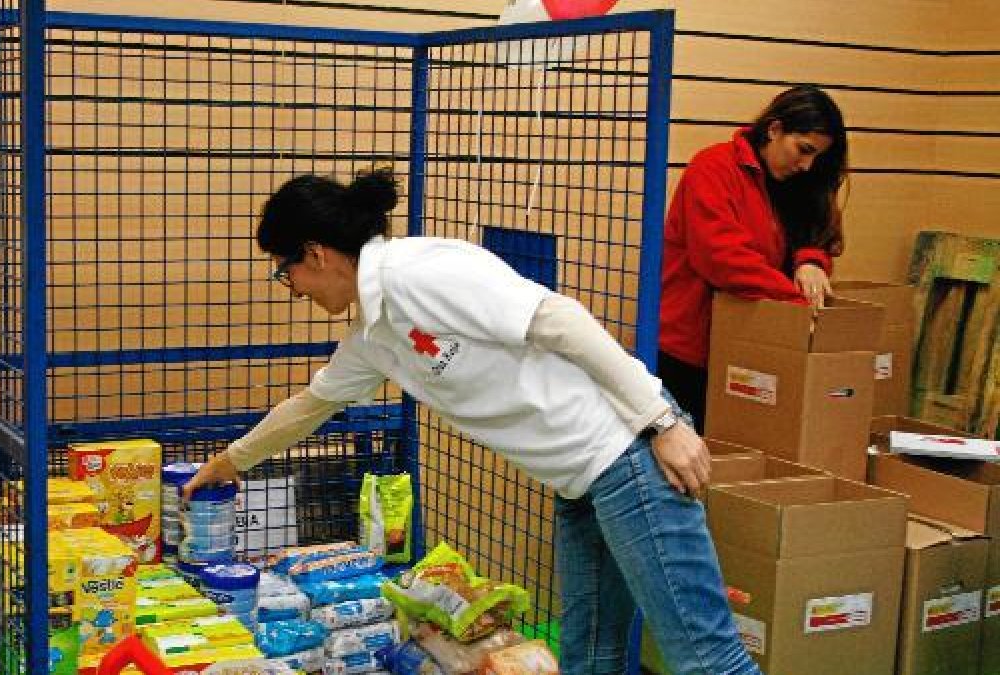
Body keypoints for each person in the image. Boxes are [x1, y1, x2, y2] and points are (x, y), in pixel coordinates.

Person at [182, 167, 761, 674]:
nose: (294, 290)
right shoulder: (375, 334)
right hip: (580, 486)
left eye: (286, 275)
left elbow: (561, 321)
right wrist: (230, 463)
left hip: (626, 453)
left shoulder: (420, 271)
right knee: (590, 658)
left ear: (315, 254)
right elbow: (309, 407)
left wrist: (662, 421)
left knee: (705, 659)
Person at [658, 85, 849, 431]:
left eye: (816, 157)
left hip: (750, 348)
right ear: (774, 129)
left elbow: (817, 230)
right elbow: (722, 259)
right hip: (689, 352)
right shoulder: (713, 167)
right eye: (803, 150)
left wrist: (810, 260)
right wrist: (794, 303)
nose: (807, 165)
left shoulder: (795, 182)